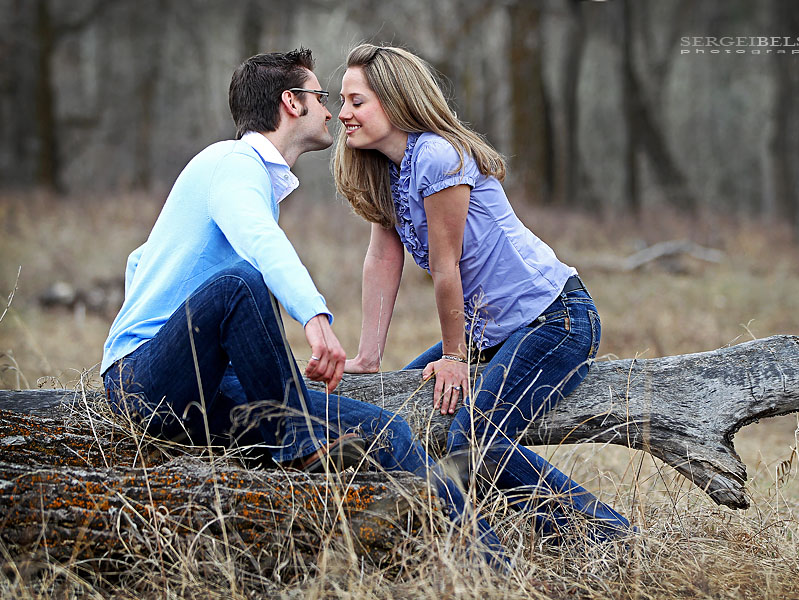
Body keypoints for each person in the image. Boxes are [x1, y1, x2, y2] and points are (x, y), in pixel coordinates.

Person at [101, 49, 504, 560]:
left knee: (386, 430)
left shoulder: (241, 175)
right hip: (143, 382)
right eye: (319, 98)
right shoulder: (231, 164)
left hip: (199, 386)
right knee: (238, 284)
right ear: (291, 103)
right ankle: (296, 442)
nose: (331, 111)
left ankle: (488, 564)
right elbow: (259, 241)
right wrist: (315, 318)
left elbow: (139, 260)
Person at [333, 43, 631, 542]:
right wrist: (367, 356)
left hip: (552, 318)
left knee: (475, 437)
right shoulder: (383, 168)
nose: (342, 113)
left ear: (395, 99)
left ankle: (606, 537)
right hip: (489, 333)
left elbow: (448, 268)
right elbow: (383, 260)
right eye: (341, 100)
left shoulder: (437, 155)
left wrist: (453, 356)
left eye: (356, 101)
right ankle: (443, 537)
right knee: (396, 421)